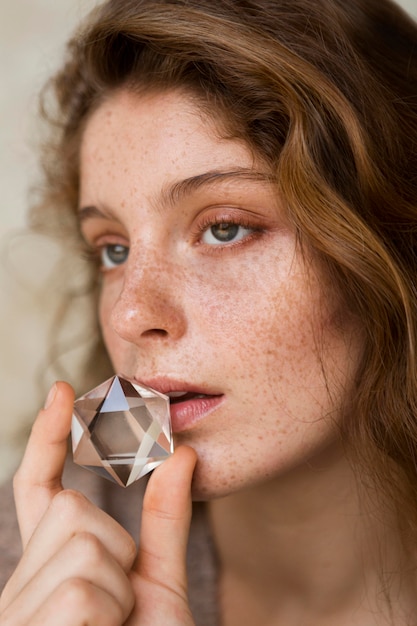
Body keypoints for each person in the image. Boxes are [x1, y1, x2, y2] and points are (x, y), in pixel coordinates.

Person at [1, 0, 417, 623]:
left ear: (395, 246)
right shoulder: (34, 568)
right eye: (113, 249)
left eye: (224, 229)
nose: (130, 314)